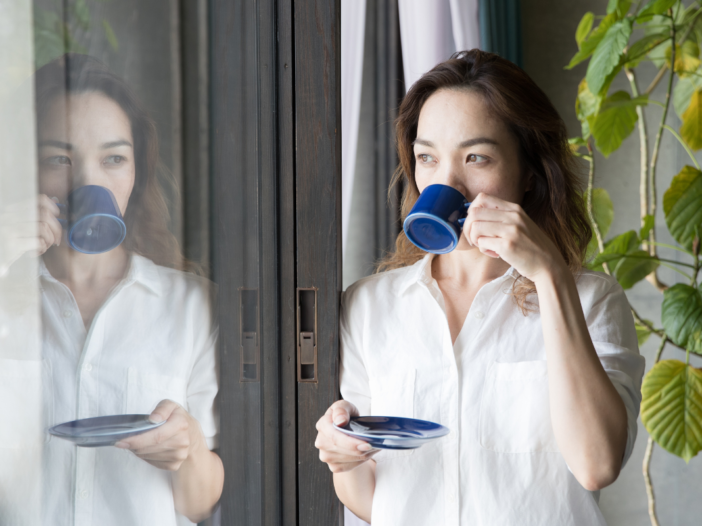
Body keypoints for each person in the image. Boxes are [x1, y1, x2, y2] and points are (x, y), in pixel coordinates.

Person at [315, 49, 645, 526]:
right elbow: (373, 501)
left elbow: (597, 466)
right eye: (427, 157)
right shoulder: (368, 306)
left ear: (530, 173)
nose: (446, 183)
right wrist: (343, 459)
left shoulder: (592, 300)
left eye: (476, 157)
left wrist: (550, 276)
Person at [2, 54, 222, 525]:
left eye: (113, 158)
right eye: (59, 158)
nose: (88, 181)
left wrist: (186, 450)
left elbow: (199, 505)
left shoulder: (193, 306)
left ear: (136, 173)